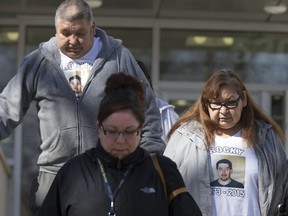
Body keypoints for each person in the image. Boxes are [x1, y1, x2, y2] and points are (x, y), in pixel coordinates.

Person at [0, 0, 165, 213]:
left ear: (93, 28)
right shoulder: (38, 63)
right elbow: (6, 108)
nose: (72, 40)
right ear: (56, 30)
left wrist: (144, 164)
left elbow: (148, 112)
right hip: (53, 174)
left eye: (80, 33)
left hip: (105, 174)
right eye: (65, 33)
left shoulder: (118, 58)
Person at [36, 72, 202, 216]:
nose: (121, 140)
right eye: (112, 131)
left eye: (130, 131)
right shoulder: (74, 172)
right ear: (98, 127)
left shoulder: (162, 171)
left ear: (141, 128)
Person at [163, 68, 287, 216]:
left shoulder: (266, 138)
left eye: (230, 102)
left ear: (244, 99)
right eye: (216, 103)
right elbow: (164, 186)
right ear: (205, 103)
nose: (223, 111)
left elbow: (283, 190)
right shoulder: (186, 137)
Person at [137, 60, 179, 143]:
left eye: (139, 83)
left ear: (148, 82)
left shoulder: (166, 113)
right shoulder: (112, 113)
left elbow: (177, 151)